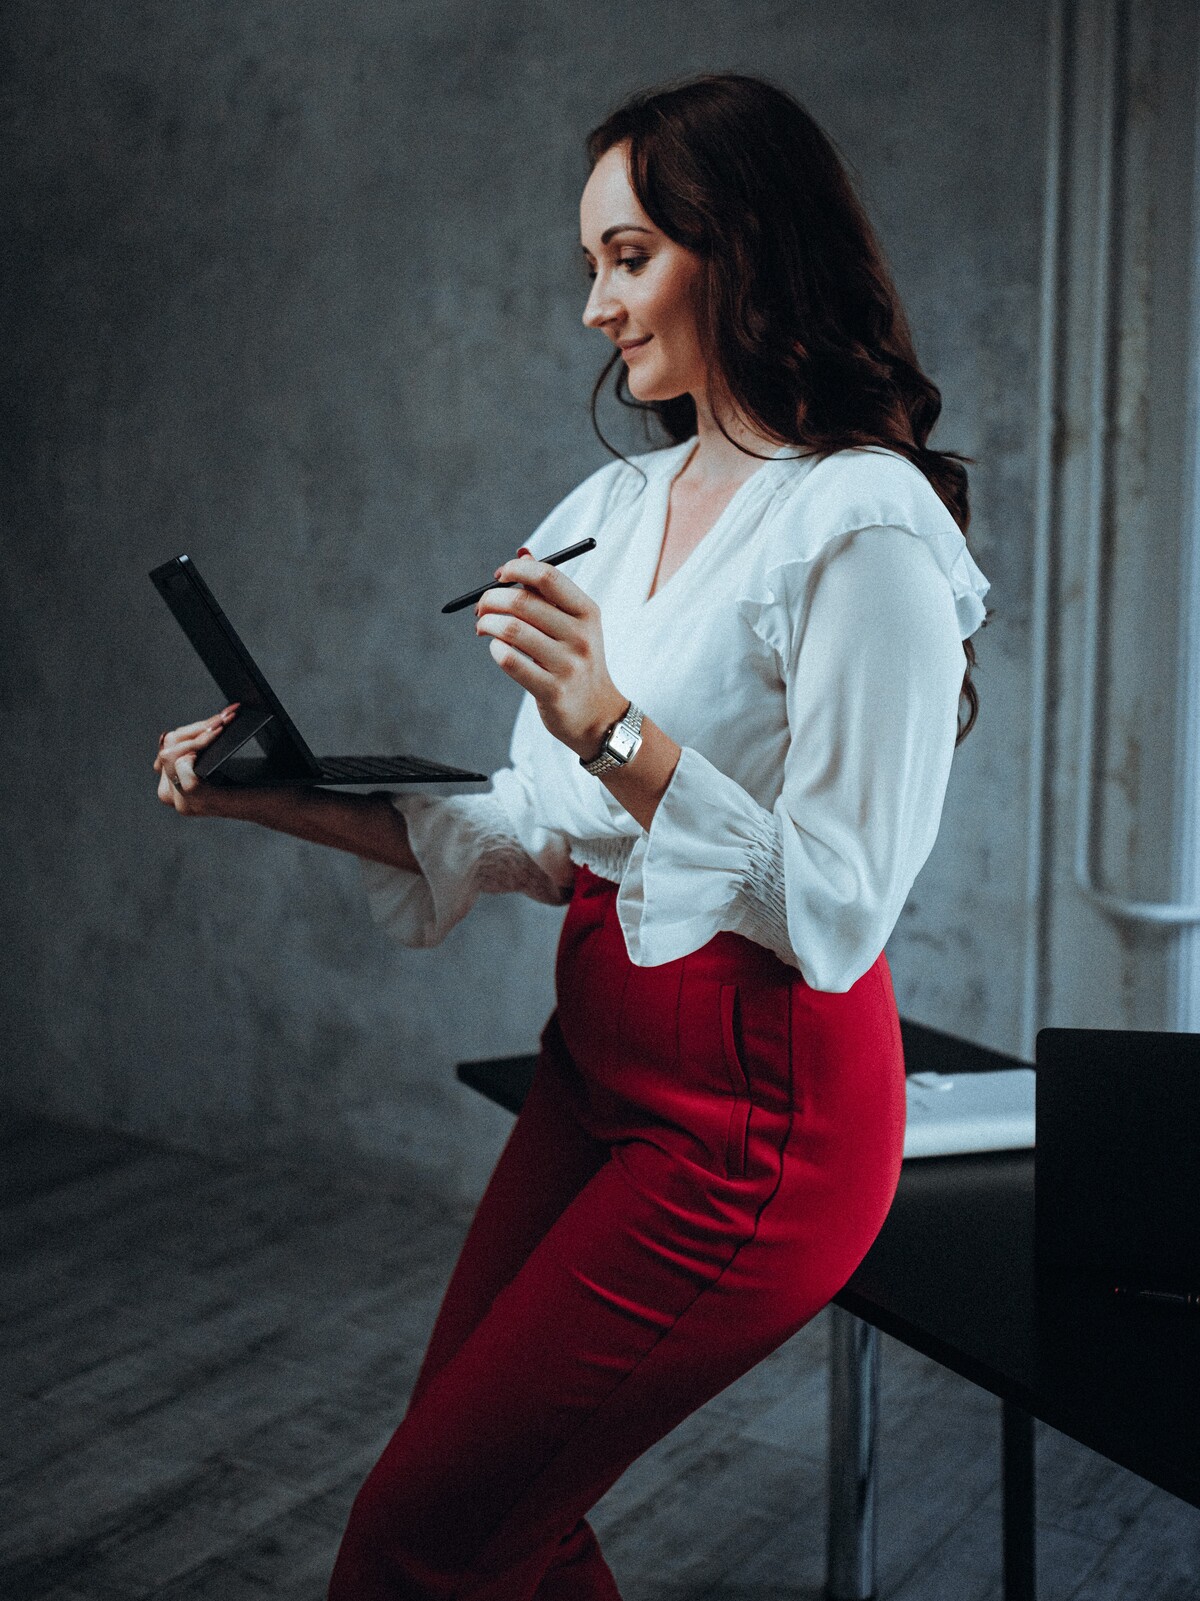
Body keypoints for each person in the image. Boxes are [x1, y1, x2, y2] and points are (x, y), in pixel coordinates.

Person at [154, 72, 991, 1601]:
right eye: (589, 267)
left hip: (766, 1115)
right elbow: (540, 836)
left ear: (736, 246)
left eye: (626, 258)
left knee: (421, 1534)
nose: (595, 308)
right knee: (475, 1508)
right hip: (600, 1058)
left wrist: (613, 718)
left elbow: (843, 907)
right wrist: (269, 793)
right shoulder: (619, 497)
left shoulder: (864, 527)